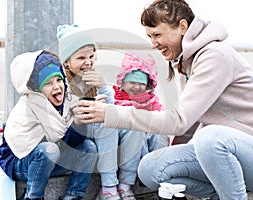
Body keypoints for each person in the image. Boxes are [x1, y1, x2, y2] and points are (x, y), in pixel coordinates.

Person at [74, 0, 253, 199]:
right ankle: (222, 192)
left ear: (182, 27)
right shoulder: (186, 62)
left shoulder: (214, 55)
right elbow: (189, 125)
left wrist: (111, 113)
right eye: (150, 36)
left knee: (209, 138)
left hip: (244, 149)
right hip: (228, 155)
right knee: (151, 167)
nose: (153, 43)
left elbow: (179, 121)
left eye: (157, 35)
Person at [57, 24, 145, 200]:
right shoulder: (61, 83)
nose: (88, 62)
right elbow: (68, 118)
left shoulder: (92, 77)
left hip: (100, 134)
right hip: (77, 136)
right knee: (107, 122)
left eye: (91, 56)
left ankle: (125, 185)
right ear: (66, 61)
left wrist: (103, 87)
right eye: (81, 57)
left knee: (135, 123)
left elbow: (111, 105)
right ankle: (108, 188)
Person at [0, 50, 97, 200]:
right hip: (21, 164)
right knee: (49, 149)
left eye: (59, 80)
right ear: (37, 89)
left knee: (88, 147)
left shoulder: (66, 101)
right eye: (48, 83)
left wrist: (79, 121)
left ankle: (73, 195)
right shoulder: (32, 105)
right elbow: (54, 144)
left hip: (50, 161)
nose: (57, 87)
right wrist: (75, 124)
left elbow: (69, 143)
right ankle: (33, 196)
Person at [113, 51, 169, 158]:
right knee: (135, 130)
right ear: (122, 82)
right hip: (126, 148)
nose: (137, 87)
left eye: (142, 84)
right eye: (132, 82)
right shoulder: (116, 101)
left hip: (150, 147)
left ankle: (155, 164)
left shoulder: (153, 103)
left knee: (161, 131)